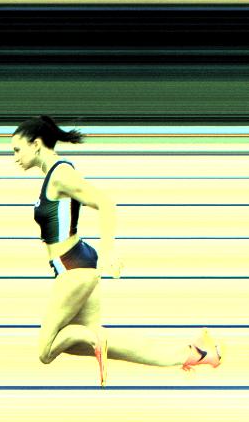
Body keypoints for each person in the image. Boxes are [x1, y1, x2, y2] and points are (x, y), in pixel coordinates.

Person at [12, 115, 222, 387]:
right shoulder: (54, 175)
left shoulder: (60, 175)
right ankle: (194, 353)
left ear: (36, 144)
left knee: (46, 350)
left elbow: (105, 203)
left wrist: (108, 252)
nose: (15, 157)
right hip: (78, 263)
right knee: (83, 343)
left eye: (17, 150)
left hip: (73, 268)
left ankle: (94, 338)